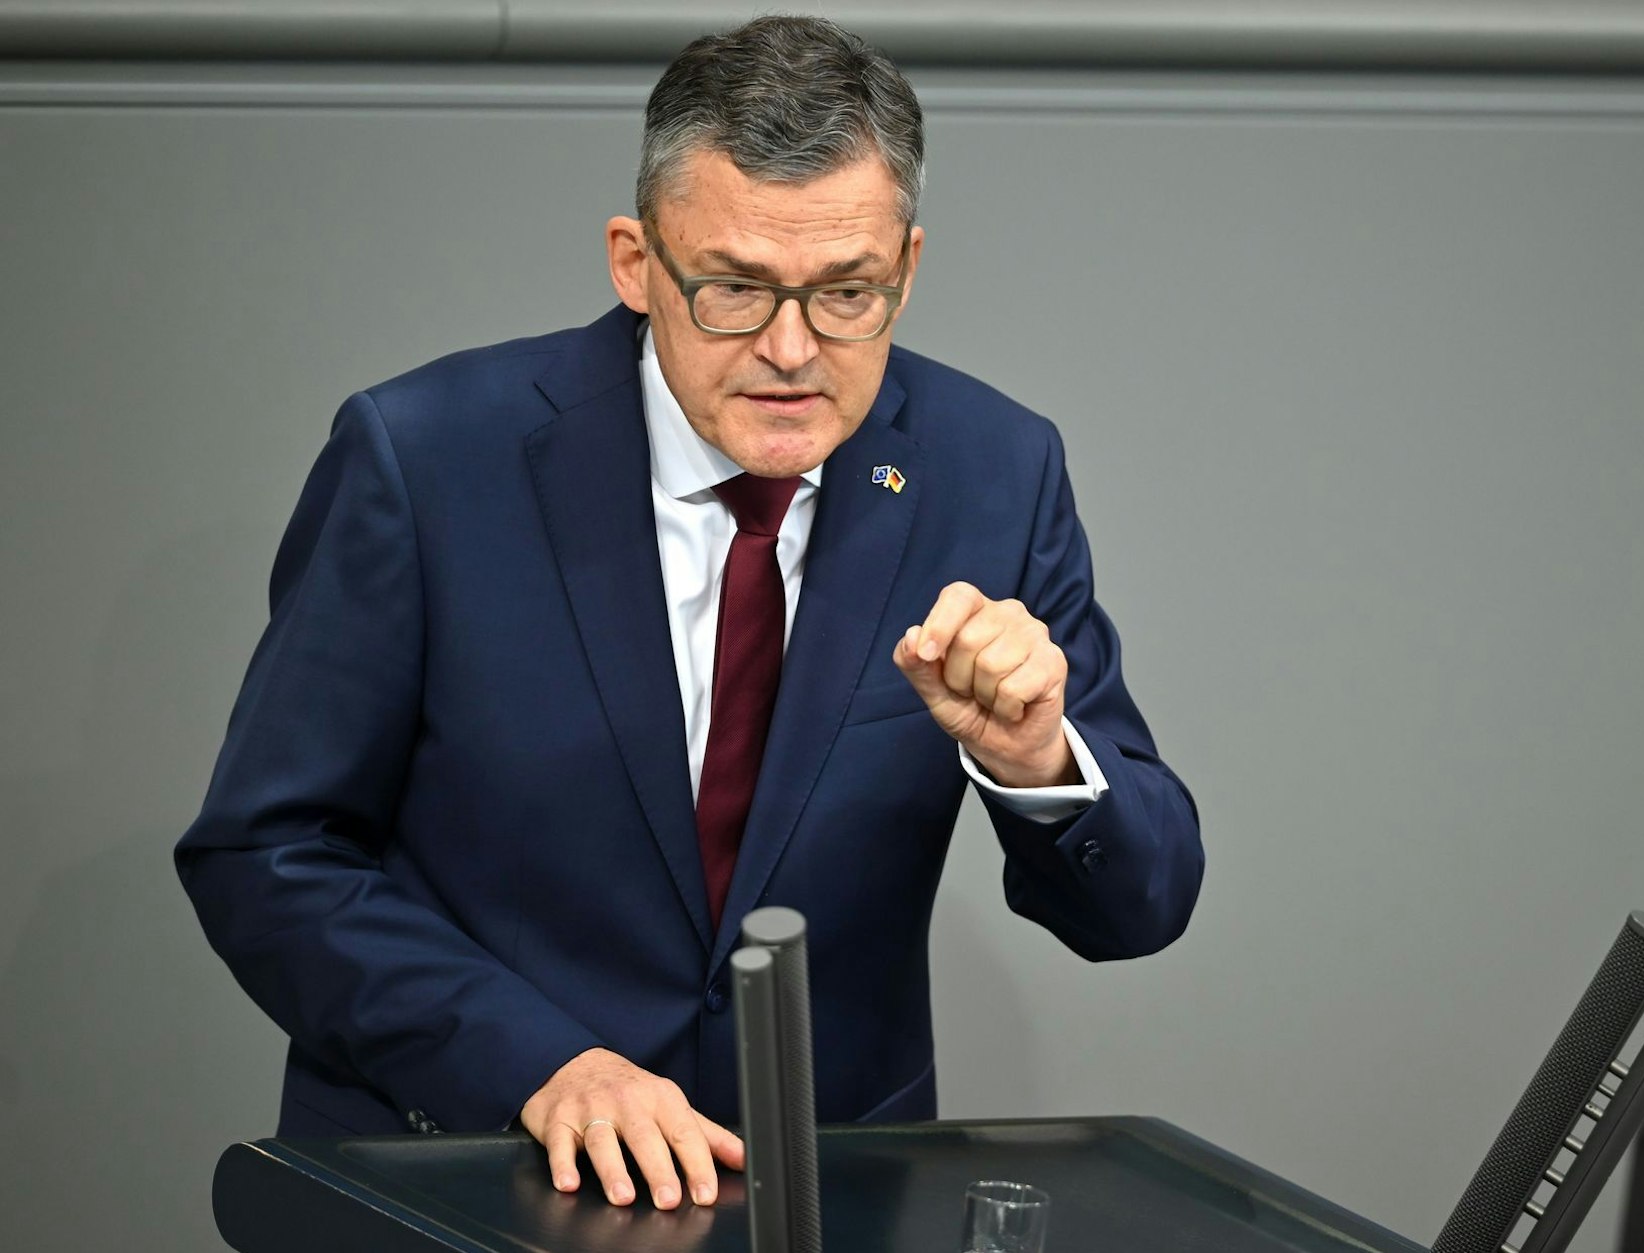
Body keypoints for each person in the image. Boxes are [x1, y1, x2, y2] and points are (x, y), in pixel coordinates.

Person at [176, 14, 1202, 1214]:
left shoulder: (993, 472)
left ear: (907, 269)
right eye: (733, 289)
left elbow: (1139, 903)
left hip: (819, 1198)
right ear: (634, 261)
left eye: (847, 293)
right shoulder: (427, 460)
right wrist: (537, 1063)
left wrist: (1036, 761)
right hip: (464, 1171)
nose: (791, 350)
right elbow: (268, 854)